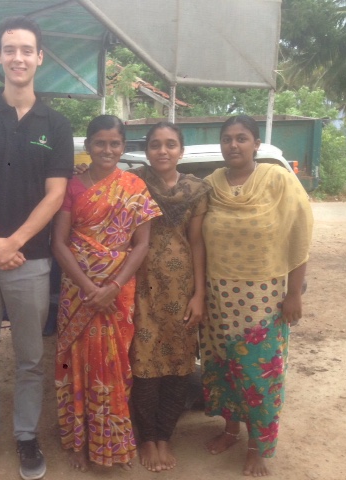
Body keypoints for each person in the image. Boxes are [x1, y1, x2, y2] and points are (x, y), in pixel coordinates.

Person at [0, 16, 74, 480]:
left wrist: (15, 243)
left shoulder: (56, 124)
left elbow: (56, 194)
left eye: (27, 50)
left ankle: (26, 436)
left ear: (40, 57)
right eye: (10, 49)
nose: (18, 57)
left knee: (29, 357)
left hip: (31, 261)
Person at [200, 115, 313, 476]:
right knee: (224, 368)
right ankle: (231, 430)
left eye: (242, 138)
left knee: (259, 376)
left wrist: (293, 293)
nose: (233, 145)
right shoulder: (209, 185)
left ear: (256, 144)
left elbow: (299, 235)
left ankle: (257, 446)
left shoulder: (277, 180)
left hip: (262, 298)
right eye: (227, 139)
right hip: (219, 296)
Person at [52, 115, 162, 472]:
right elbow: (59, 242)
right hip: (78, 291)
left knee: (114, 366)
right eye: (100, 142)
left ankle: (112, 442)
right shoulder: (72, 187)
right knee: (77, 365)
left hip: (118, 292)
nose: (107, 149)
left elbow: (141, 245)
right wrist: (89, 288)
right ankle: (80, 444)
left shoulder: (134, 186)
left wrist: (112, 287)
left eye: (115, 143)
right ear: (88, 146)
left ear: (123, 147)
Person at [127, 122, 210, 472]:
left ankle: (165, 436)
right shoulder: (132, 183)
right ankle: (147, 438)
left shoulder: (195, 189)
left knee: (178, 365)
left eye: (171, 144)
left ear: (181, 150)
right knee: (144, 364)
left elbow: (196, 243)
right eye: (156, 144)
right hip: (140, 285)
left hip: (181, 288)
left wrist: (199, 295)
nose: (163, 150)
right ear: (147, 150)